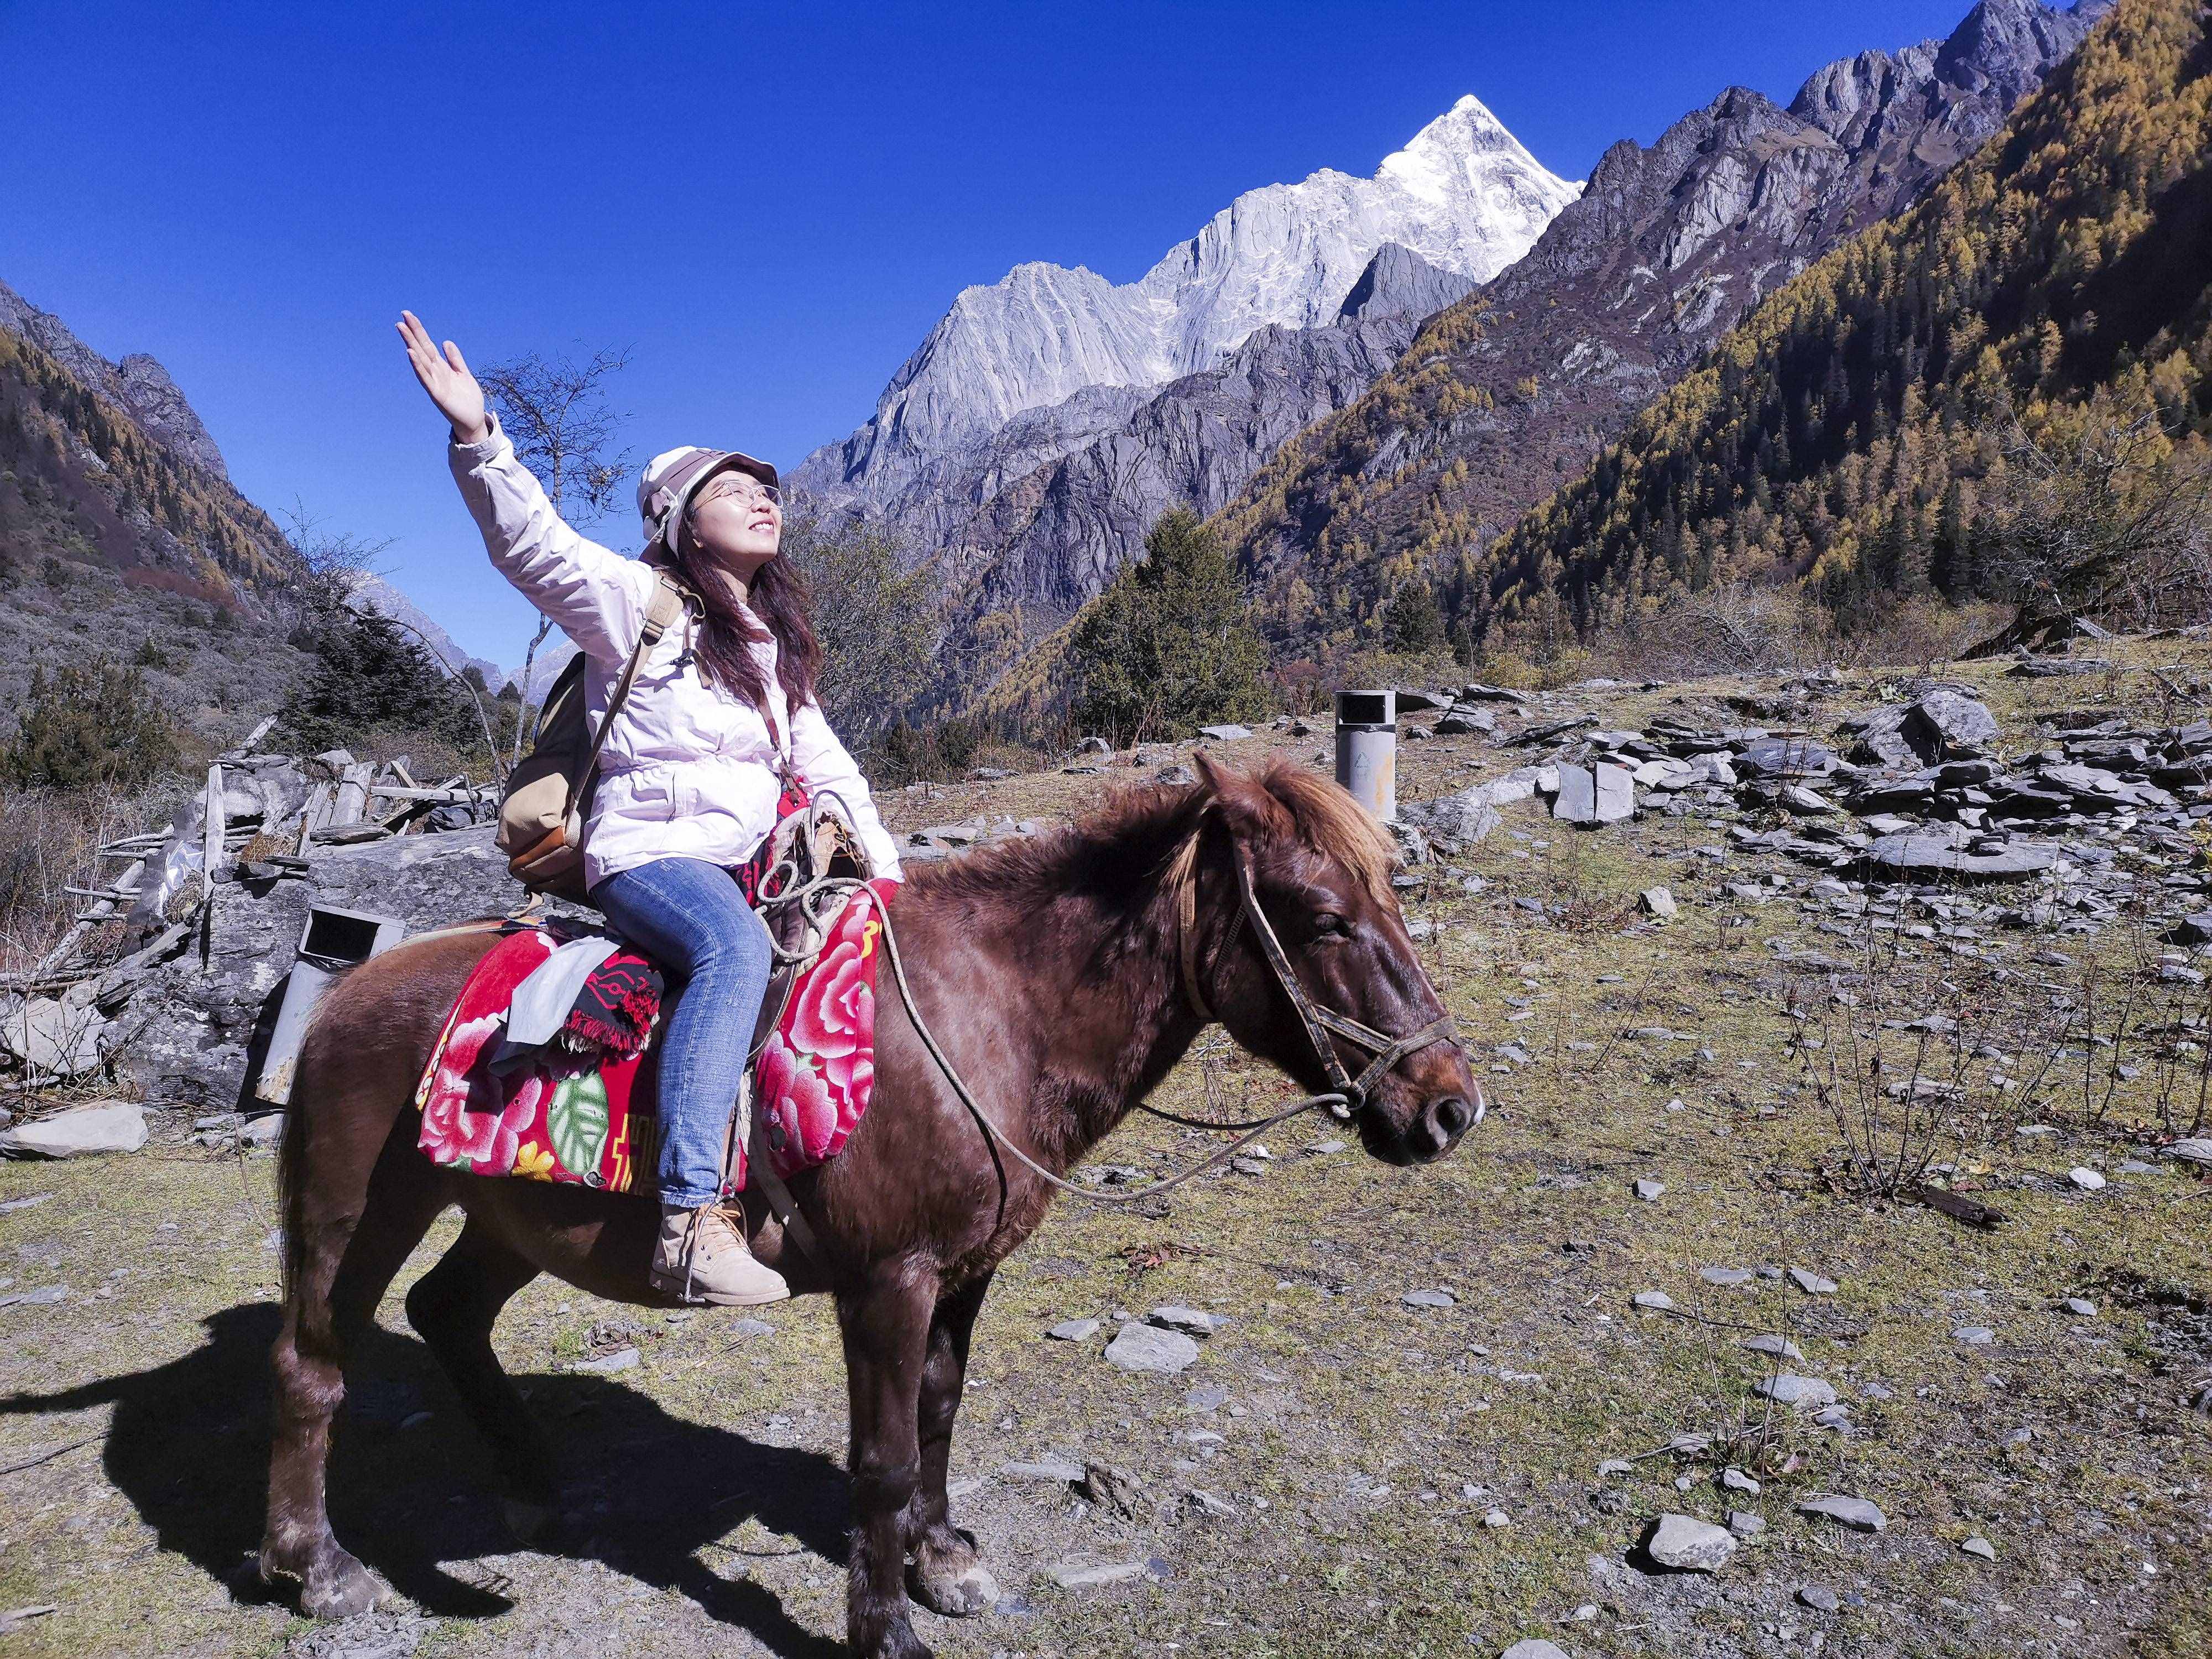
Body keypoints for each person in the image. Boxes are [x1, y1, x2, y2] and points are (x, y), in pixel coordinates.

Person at [396, 310, 902, 1306]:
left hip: (745, 864)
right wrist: (478, 438)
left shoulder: (768, 647)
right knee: (734, 953)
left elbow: (831, 768)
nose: (763, 499)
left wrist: (886, 879)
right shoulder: (634, 602)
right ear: (680, 520)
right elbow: (531, 547)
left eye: (767, 489)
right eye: (733, 490)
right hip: (649, 858)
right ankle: (690, 1220)